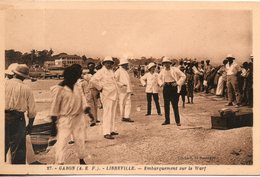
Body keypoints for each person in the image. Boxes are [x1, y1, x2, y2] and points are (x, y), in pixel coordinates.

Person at [49, 65, 91, 164]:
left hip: (78, 118)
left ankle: (81, 159)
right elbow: (54, 108)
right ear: (69, 77)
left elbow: (82, 99)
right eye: (75, 77)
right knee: (62, 142)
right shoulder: (59, 89)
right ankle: (60, 162)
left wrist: (87, 109)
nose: (77, 79)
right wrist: (53, 126)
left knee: (80, 140)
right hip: (65, 119)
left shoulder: (77, 86)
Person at [5, 64, 36, 164]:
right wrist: (30, 125)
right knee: (18, 149)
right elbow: (32, 111)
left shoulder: (4, 84)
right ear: (24, 77)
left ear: (14, 73)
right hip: (18, 119)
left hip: (3, 117)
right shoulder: (27, 89)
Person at [90, 56, 119, 140]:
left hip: (114, 94)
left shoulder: (111, 71)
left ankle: (111, 129)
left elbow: (114, 82)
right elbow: (92, 80)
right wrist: (100, 88)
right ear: (104, 63)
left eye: (110, 63)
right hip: (107, 95)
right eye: (107, 62)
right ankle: (106, 132)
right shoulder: (101, 72)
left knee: (113, 113)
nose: (109, 64)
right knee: (107, 113)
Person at [158, 57, 186, 126]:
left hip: (173, 88)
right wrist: (161, 83)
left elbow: (183, 76)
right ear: (163, 64)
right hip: (166, 88)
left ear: (170, 63)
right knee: (166, 105)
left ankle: (177, 121)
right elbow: (158, 78)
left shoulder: (175, 69)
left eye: (167, 63)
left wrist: (177, 83)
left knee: (175, 105)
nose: (166, 64)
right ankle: (167, 120)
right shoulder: (162, 71)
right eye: (165, 63)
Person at [115, 58, 134, 123]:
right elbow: (115, 80)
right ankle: (122, 116)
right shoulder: (118, 71)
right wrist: (121, 85)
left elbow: (128, 82)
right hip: (122, 90)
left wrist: (131, 90)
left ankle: (127, 116)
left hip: (127, 90)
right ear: (123, 65)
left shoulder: (125, 71)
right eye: (126, 64)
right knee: (122, 103)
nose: (127, 66)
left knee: (128, 103)